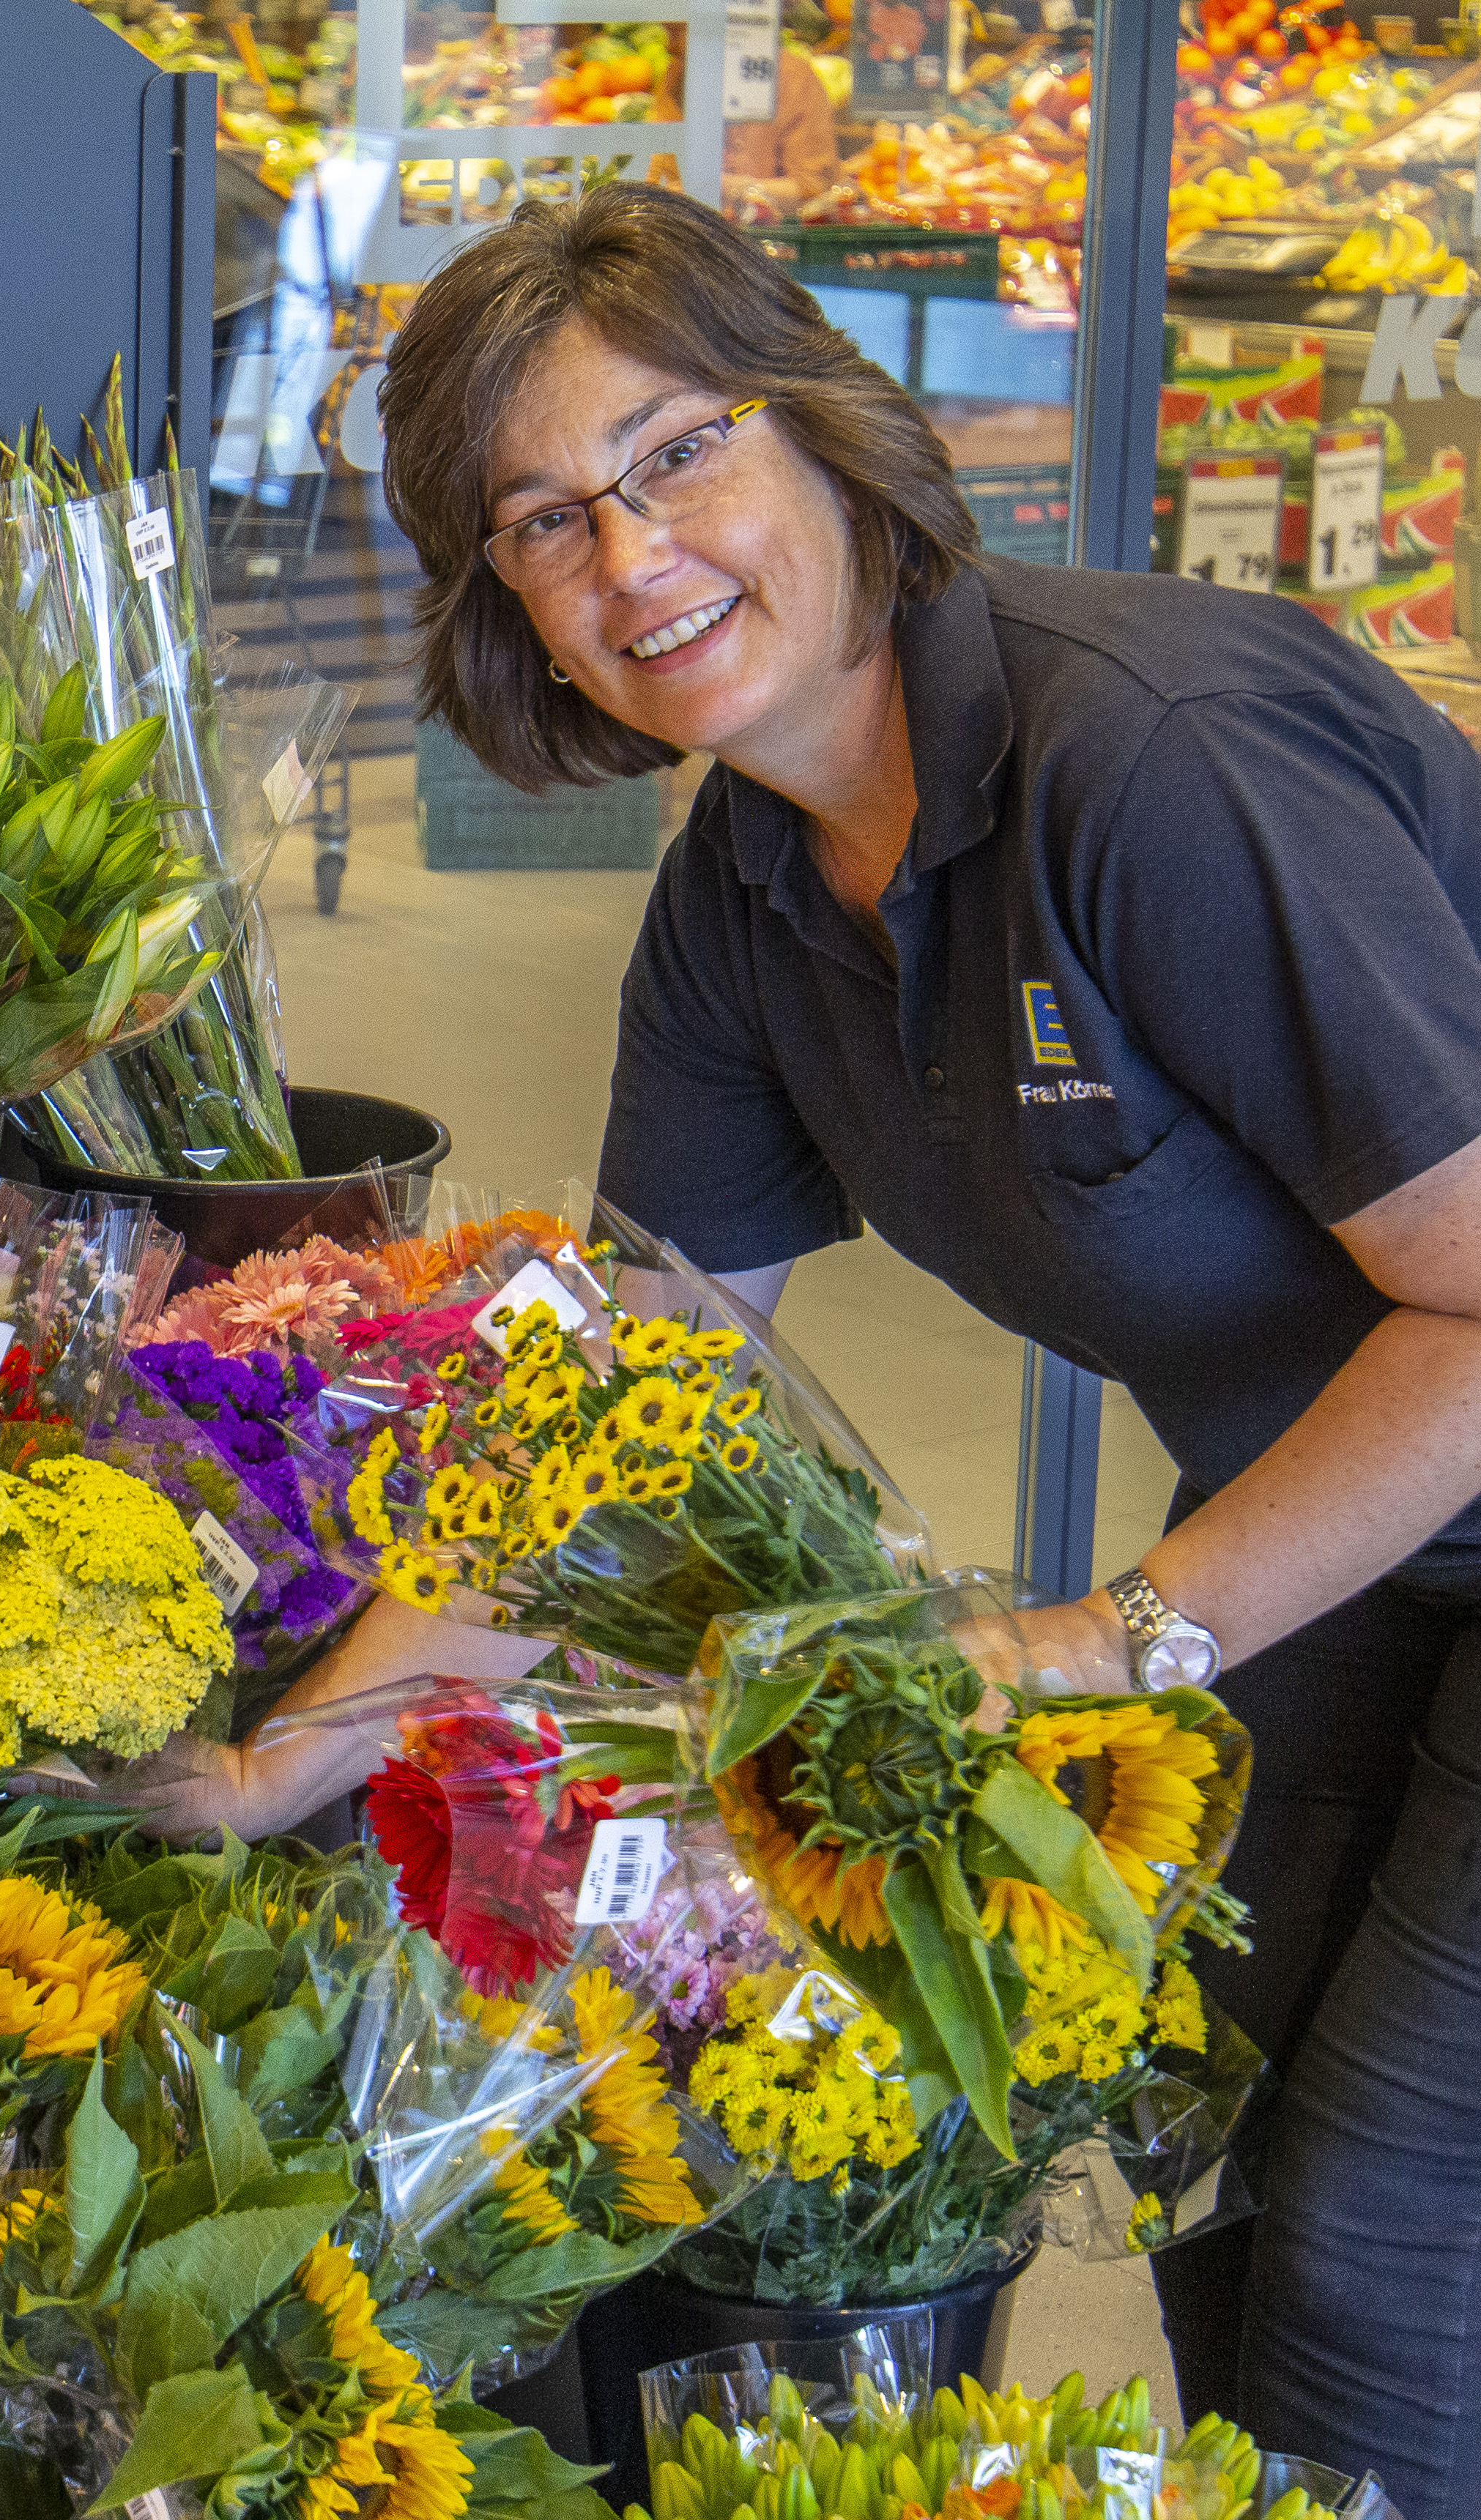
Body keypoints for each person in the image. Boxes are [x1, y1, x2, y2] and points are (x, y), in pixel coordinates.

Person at [143, 181, 1481, 2512]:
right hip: (1363, 1505)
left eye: (675, 452)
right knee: (1214, 2124)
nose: (629, 554)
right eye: (543, 519)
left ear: (829, 429)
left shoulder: (1146, 768)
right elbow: (616, 1415)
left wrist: (1100, 1637)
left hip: (1419, 1425)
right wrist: (292, 1754)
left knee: (1390, 2216)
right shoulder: (748, 893)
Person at [723, 46, 841, 223]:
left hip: (766, 232)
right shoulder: (684, 68)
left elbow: (812, 189)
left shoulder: (793, 75)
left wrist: (719, 186)